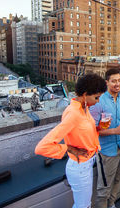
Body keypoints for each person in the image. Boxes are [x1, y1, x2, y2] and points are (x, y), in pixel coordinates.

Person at [35, 73, 107, 208]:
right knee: (83, 206)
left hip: (87, 164)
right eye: (96, 97)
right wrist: (69, 148)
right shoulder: (74, 113)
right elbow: (41, 147)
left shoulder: (84, 108)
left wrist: (97, 128)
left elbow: (81, 132)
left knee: (84, 204)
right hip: (80, 167)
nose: (98, 101)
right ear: (85, 95)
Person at [89, 68, 120, 208]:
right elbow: (92, 130)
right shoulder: (98, 101)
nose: (117, 84)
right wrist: (115, 131)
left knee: (117, 180)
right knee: (103, 190)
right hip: (106, 152)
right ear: (106, 82)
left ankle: (111, 204)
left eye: (119, 80)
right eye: (114, 81)